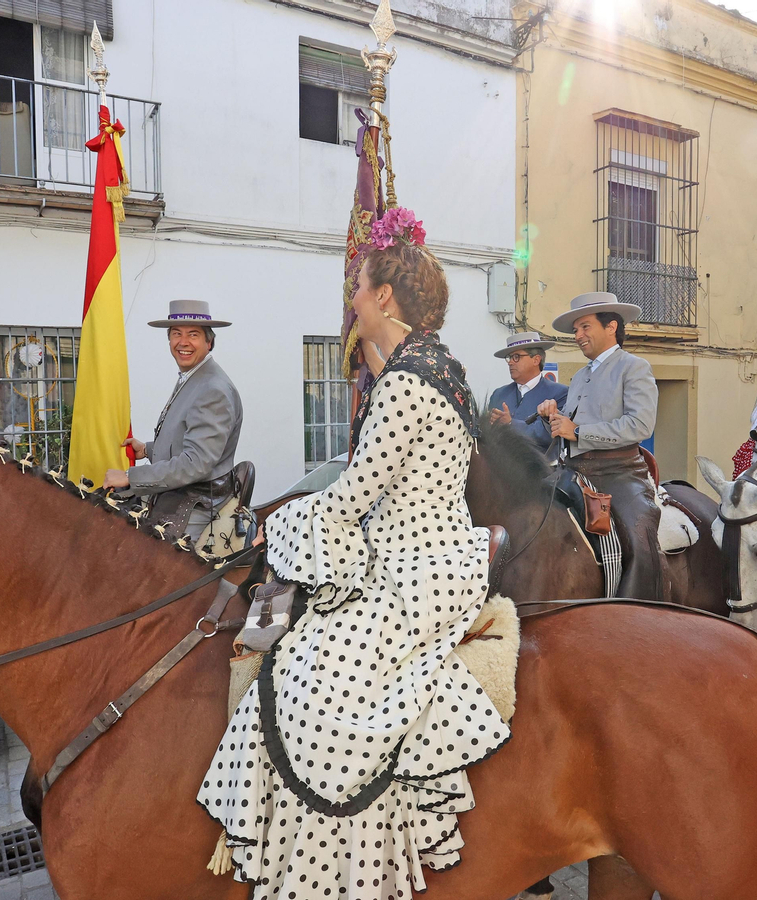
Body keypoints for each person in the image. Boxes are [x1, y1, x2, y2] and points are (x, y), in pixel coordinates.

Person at [198, 210, 509, 896]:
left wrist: (276, 522)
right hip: (426, 555)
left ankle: (340, 870)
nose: (354, 299)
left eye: (359, 287)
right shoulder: (440, 368)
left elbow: (350, 497)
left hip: (413, 572)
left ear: (385, 297)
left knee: (310, 685)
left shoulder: (405, 383)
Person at [537, 291, 661, 599]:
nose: (578, 335)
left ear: (611, 327)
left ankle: (640, 611)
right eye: (575, 330)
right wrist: (553, 418)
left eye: (585, 327)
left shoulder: (634, 367)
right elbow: (571, 427)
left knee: (640, 538)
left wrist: (578, 432)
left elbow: (640, 425)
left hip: (619, 473)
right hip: (573, 473)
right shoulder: (580, 376)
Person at [103, 299, 243, 539]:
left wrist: (129, 477)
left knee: (147, 554)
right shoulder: (194, 376)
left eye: (193, 334)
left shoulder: (213, 389)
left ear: (209, 342)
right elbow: (186, 437)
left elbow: (196, 463)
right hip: (182, 490)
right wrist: (147, 450)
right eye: (177, 333)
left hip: (200, 497)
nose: (183, 342)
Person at [485, 331, 568, 454]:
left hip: (540, 465)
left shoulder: (560, 393)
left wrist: (510, 424)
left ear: (536, 360)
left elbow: (549, 433)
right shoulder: (499, 394)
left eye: (516, 357)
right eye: (509, 357)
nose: (510, 362)